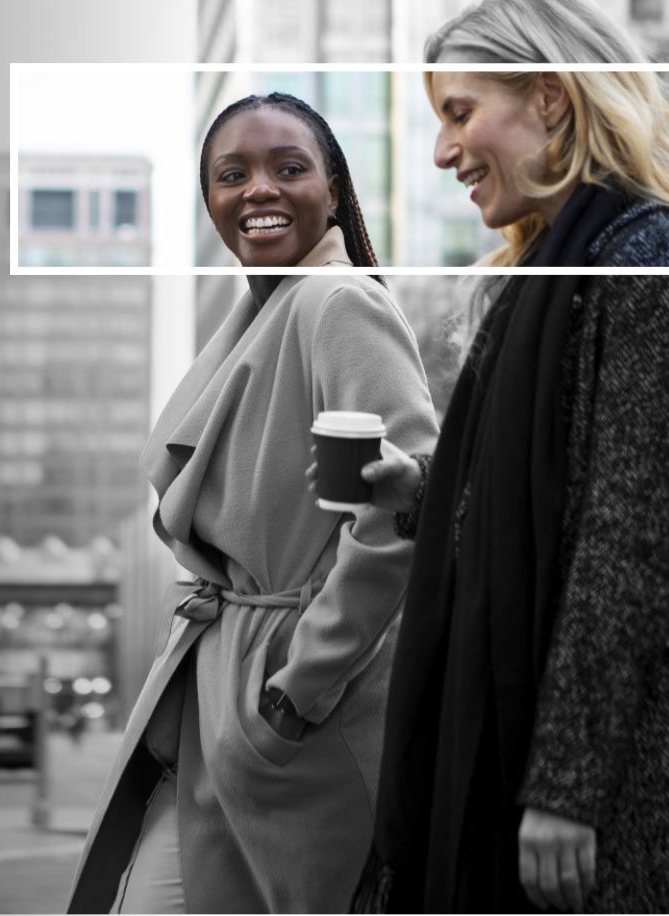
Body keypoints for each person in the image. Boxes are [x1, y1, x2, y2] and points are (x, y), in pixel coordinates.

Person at [351, 0, 669, 913]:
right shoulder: (550, 278)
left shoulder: (649, 262)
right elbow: (546, 505)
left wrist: (568, 787)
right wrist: (424, 492)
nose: (445, 150)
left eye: (460, 113)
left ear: (550, 100)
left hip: (616, 779)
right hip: (549, 752)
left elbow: (630, 545)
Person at [68, 93, 439, 914]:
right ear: (210, 202)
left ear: (333, 190)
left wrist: (297, 687)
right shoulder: (260, 314)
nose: (258, 190)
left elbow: (409, 502)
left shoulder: (337, 303)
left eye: (288, 168)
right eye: (232, 175)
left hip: (297, 711)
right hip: (218, 708)